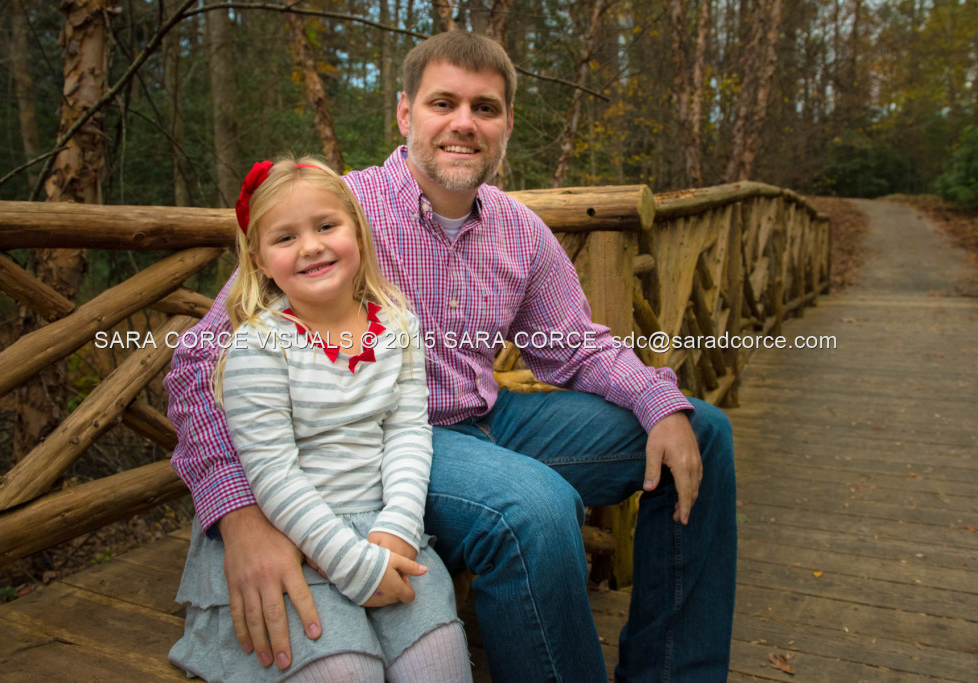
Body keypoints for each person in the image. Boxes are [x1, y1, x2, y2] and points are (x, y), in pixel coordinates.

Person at [167, 31, 737, 682]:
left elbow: (574, 343)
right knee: (537, 508)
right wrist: (239, 519)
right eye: (444, 103)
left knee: (702, 431)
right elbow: (197, 364)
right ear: (406, 114)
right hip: (387, 439)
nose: (464, 123)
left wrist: (655, 397)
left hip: (490, 417)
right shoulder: (338, 216)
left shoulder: (518, 229)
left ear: (507, 126)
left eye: (485, 108)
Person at [168, 157, 472, 682]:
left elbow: (406, 432)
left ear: (358, 230)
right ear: (259, 260)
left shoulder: (398, 324)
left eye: (326, 226)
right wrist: (349, 564)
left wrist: (399, 527)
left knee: (439, 662)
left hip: (384, 525)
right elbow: (272, 475)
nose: (310, 246)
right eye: (285, 237)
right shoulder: (257, 348)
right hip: (299, 535)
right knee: (344, 673)